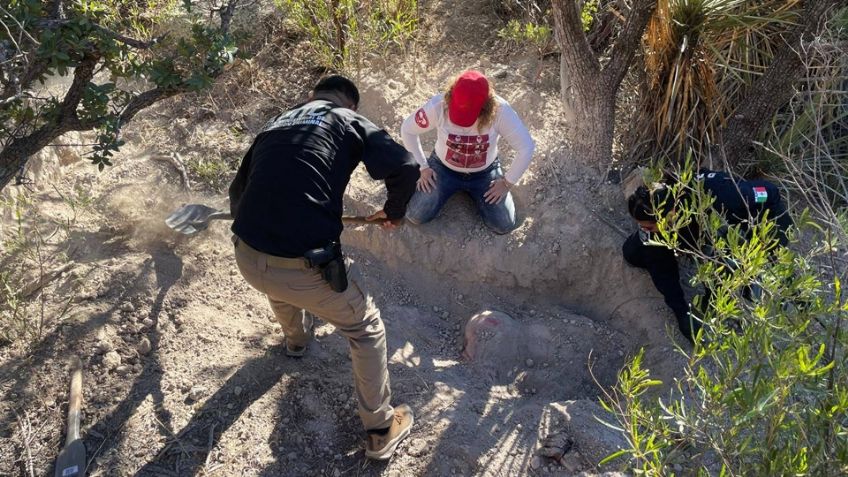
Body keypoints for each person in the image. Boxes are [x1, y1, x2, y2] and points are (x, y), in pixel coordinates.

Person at [228, 75, 419, 460]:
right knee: (366, 328)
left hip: (247, 258)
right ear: (351, 104)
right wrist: (394, 212)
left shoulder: (277, 122)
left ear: (311, 96)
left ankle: (296, 341)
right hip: (304, 268)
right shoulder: (346, 119)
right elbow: (406, 166)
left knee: (277, 279)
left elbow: (238, 192)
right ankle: (381, 428)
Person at [622, 169, 793, 342]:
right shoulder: (662, 210)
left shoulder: (727, 197)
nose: (644, 230)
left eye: (648, 227)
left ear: (669, 215)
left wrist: (763, 243)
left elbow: (770, 192)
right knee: (633, 253)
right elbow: (661, 270)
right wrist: (681, 311)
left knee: (724, 269)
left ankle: (755, 281)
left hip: (752, 225)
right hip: (693, 226)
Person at [400, 70, 535, 234]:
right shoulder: (439, 105)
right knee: (416, 215)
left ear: (486, 107)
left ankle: (474, 192)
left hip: (485, 173)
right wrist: (423, 166)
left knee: (504, 224)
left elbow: (526, 147)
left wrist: (507, 182)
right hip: (443, 169)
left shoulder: (501, 111)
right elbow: (407, 130)